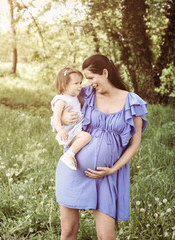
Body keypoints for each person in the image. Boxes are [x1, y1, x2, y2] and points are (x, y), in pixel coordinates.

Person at [55, 54, 148, 240]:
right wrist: (62, 120)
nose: (87, 83)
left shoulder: (132, 102)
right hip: (73, 169)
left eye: (91, 78)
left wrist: (112, 169)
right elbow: (59, 101)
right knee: (68, 232)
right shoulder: (87, 94)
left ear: (105, 73)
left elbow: (135, 144)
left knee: (107, 237)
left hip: (106, 176)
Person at [51, 67, 92, 170]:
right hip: (69, 131)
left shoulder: (74, 96)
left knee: (86, 138)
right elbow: (56, 117)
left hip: (75, 128)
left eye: (80, 83)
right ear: (64, 85)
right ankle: (69, 155)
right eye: (76, 83)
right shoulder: (61, 100)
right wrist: (60, 130)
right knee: (86, 137)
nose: (80, 86)